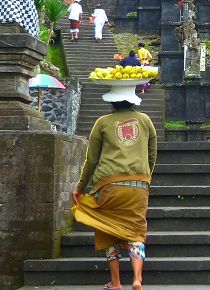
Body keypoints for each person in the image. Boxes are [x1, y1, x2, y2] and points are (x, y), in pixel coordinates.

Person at [72, 98, 157, 290]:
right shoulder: (145, 121)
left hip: (108, 185)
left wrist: (80, 187)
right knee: (136, 231)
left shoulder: (102, 122)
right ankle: (137, 279)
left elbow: (91, 159)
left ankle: (116, 282)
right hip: (138, 184)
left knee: (108, 230)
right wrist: (144, 178)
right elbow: (152, 156)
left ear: (112, 102)